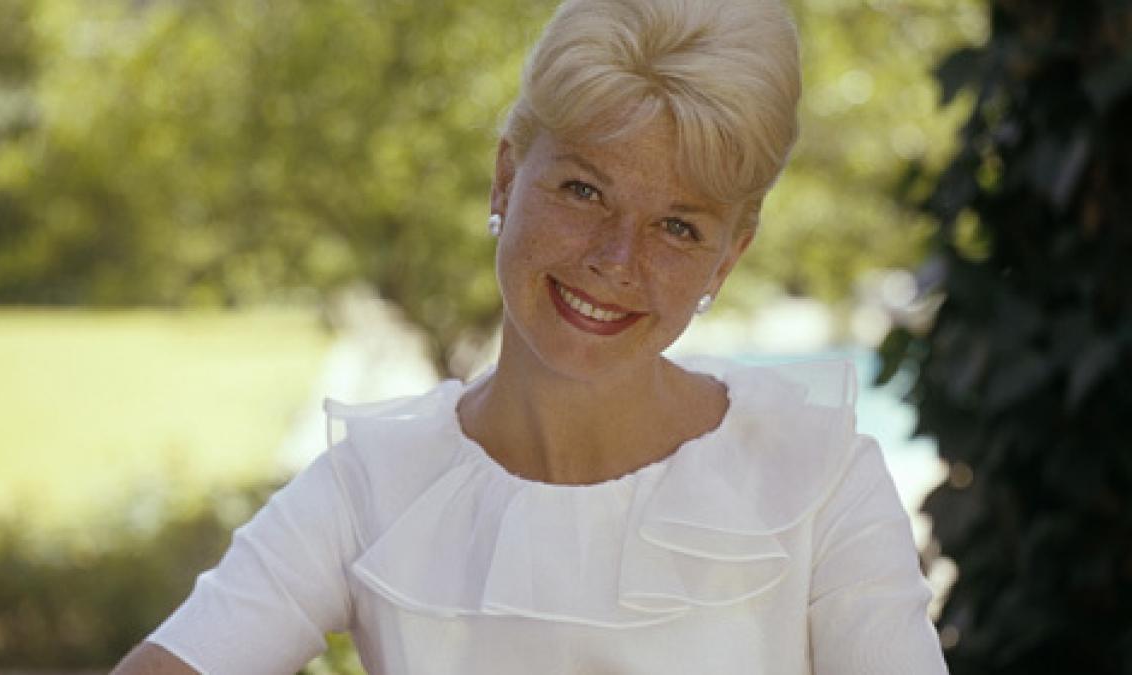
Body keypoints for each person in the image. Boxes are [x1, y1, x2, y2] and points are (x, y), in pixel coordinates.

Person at [113, 0, 949, 672]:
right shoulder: (369, 490)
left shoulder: (820, 480)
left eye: (679, 228)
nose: (616, 261)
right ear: (507, 178)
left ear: (729, 257)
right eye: (584, 190)